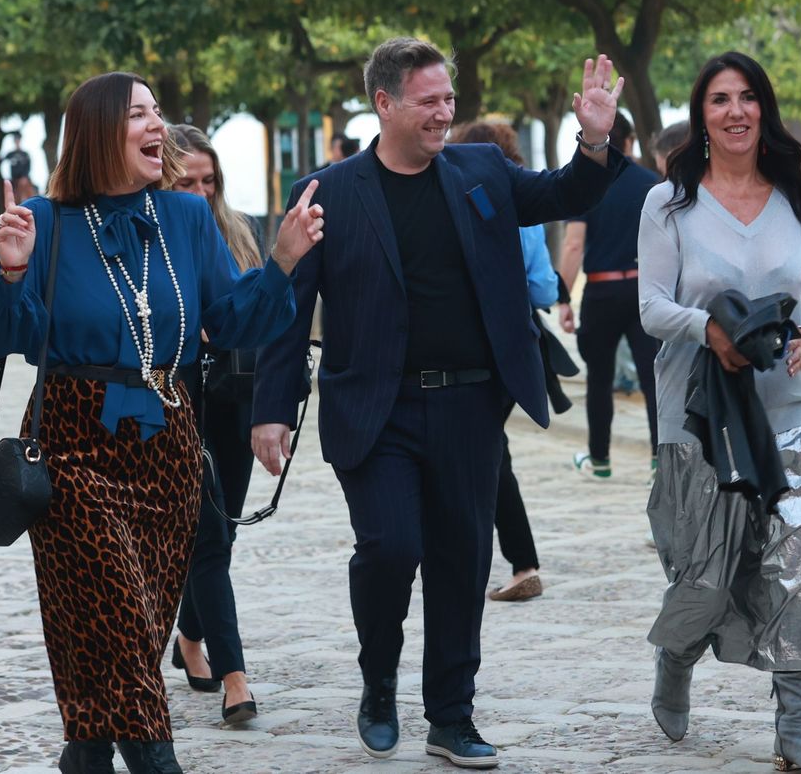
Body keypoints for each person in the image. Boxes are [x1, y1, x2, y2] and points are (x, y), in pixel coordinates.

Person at [253, 38, 627, 769]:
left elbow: (564, 194)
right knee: (391, 548)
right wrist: (273, 406)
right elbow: (288, 309)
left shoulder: (480, 169)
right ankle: (378, 677)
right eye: (428, 101)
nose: (444, 113)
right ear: (384, 104)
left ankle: (452, 716)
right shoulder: (327, 192)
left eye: (448, 99)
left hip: (469, 406)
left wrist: (594, 136)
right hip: (375, 407)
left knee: (462, 561)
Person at [0, 72, 322, 774]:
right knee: (122, 619)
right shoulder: (45, 221)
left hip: (168, 441)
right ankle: (159, 761)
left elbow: (230, 321)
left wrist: (282, 260)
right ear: (101, 130)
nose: (157, 125)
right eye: (139, 113)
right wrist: (10, 274)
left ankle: (86, 753)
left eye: (158, 111)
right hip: (74, 442)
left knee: (133, 624)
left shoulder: (187, 220)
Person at [637, 51, 801, 774]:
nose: (735, 111)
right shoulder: (669, 202)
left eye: (748, 97)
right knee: (703, 571)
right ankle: (676, 654)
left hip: (790, 409)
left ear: (764, 109)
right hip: (702, 415)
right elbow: (653, 307)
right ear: (702, 114)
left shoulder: (798, 200)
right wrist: (711, 331)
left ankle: (796, 730)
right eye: (720, 98)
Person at [164, 124, 266, 727]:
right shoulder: (159, 240)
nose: (201, 193)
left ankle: (189, 636)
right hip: (180, 402)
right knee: (208, 539)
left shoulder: (240, 229)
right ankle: (235, 679)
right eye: (187, 182)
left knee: (220, 532)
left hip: (236, 401)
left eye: (209, 180)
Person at [449, 119, 554, 604]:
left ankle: (507, 561)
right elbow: (544, 288)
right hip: (516, 344)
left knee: (486, 455)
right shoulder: (524, 204)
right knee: (493, 449)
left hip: (473, 344)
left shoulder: (464, 198)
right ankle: (520, 560)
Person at [557, 111, 662, 479]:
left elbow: (573, 245)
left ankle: (599, 459)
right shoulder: (653, 183)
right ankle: (659, 460)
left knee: (599, 379)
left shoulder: (585, 184)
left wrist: (563, 297)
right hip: (643, 289)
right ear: (630, 141)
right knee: (654, 379)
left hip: (600, 289)